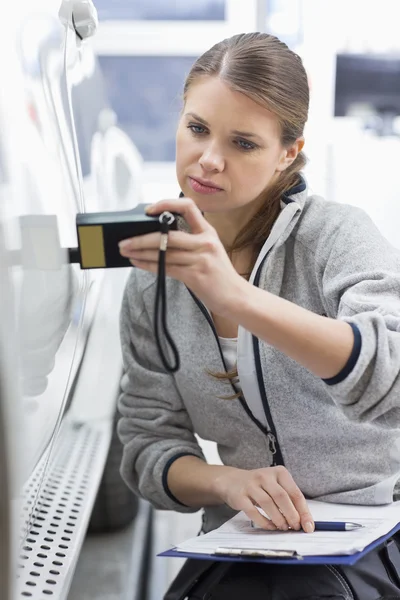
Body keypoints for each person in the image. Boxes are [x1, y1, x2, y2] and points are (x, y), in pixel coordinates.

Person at [117, 32, 400, 599]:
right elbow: (147, 446)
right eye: (197, 128)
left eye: (244, 143)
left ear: (287, 154)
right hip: (243, 542)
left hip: (371, 533)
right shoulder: (154, 274)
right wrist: (228, 482)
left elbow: (390, 374)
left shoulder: (336, 235)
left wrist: (237, 298)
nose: (209, 159)